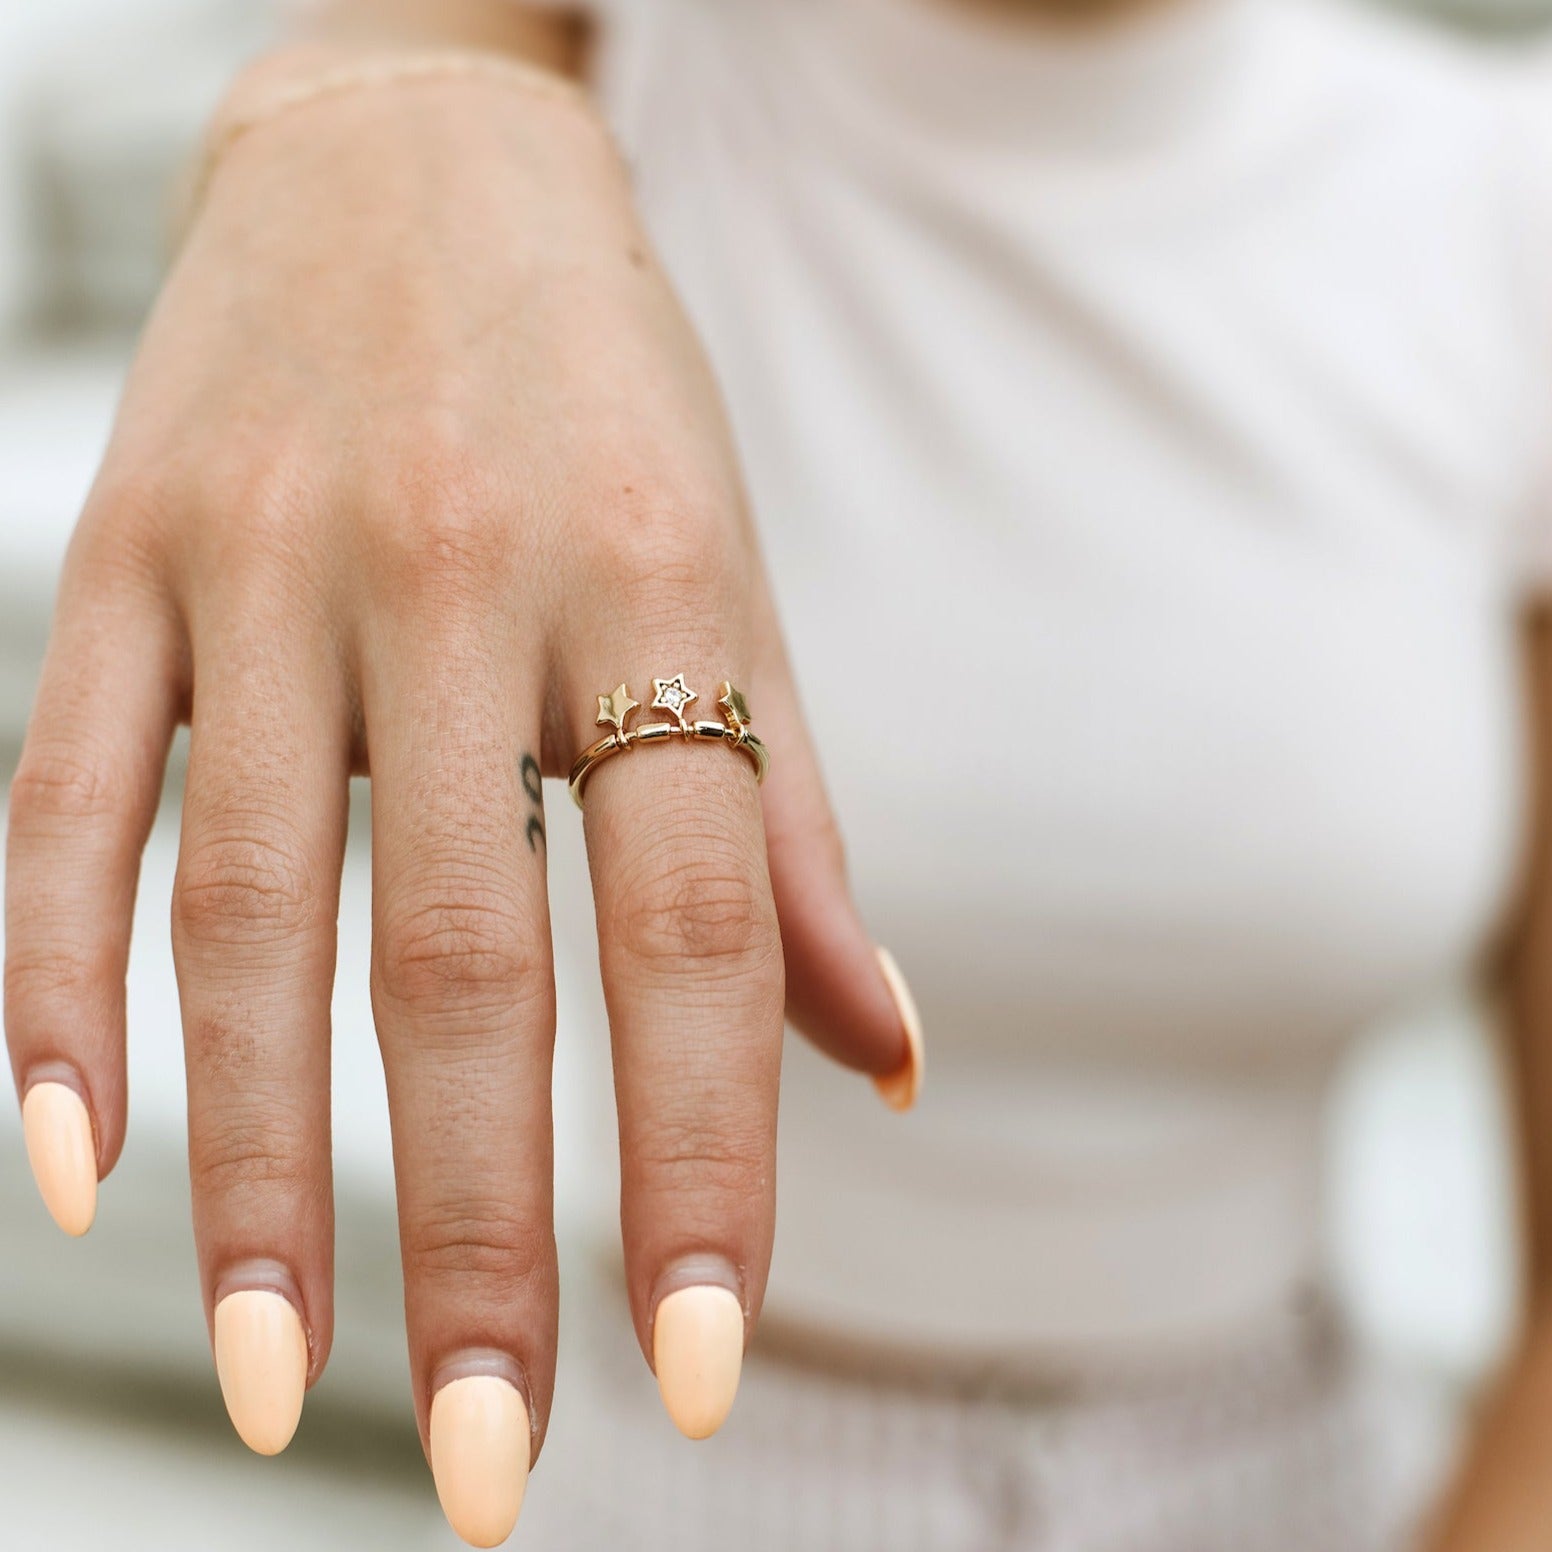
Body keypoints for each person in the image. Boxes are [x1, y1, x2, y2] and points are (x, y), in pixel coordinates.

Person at [9, 0, 1552, 1545]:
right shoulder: (589, 116)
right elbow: (395, 95)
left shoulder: (1493, 197)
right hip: (680, 1484)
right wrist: (367, 112)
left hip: (1323, 1493)